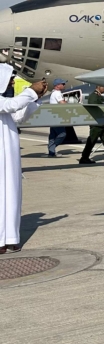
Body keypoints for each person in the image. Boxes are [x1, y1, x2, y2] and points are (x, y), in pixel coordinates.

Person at [1, 66, 45, 253]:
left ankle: (10, 237)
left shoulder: (6, 100)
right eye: (10, 78)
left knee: (12, 193)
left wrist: (36, 98)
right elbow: (10, 106)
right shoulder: (4, 101)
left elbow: (18, 116)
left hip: (9, 156)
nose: (12, 81)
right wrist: (30, 91)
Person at [46, 78, 68, 157]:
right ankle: (52, 147)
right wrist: (67, 103)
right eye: (63, 84)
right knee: (62, 134)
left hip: (53, 116)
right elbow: (62, 103)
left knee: (53, 135)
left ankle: (51, 152)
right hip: (56, 116)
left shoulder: (54, 93)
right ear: (58, 86)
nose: (64, 85)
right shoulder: (57, 93)